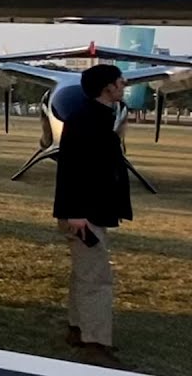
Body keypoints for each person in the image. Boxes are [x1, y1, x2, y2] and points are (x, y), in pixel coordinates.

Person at [53, 64, 131, 369]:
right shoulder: (86, 120)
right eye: (119, 81)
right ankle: (95, 344)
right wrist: (74, 213)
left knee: (84, 275)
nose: (123, 84)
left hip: (91, 211)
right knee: (96, 280)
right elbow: (70, 169)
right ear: (107, 87)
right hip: (84, 215)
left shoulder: (97, 117)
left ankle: (78, 329)